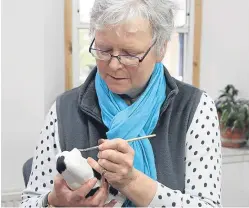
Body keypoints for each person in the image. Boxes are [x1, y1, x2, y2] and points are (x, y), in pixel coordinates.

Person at [21, 0, 222, 207]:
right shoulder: (64, 110)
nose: (114, 65)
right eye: (103, 50)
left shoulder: (194, 108)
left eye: (129, 54)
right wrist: (54, 202)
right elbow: (29, 202)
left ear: (161, 49)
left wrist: (131, 181)